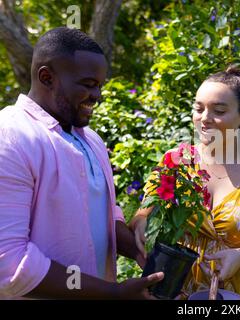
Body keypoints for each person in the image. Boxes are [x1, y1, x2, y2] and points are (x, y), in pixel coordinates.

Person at [0, 27, 163, 299]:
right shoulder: (11, 137)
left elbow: (103, 213)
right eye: (88, 85)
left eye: (100, 85)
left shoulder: (91, 140)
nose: (97, 95)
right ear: (47, 77)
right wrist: (112, 293)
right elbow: (9, 264)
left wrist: (137, 250)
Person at [130, 66, 240, 299]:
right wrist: (141, 224)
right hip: (175, 293)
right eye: (199, 108)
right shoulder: (176, 161)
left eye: (219, 110)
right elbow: (143, 214)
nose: (205, 118)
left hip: (237, 297)